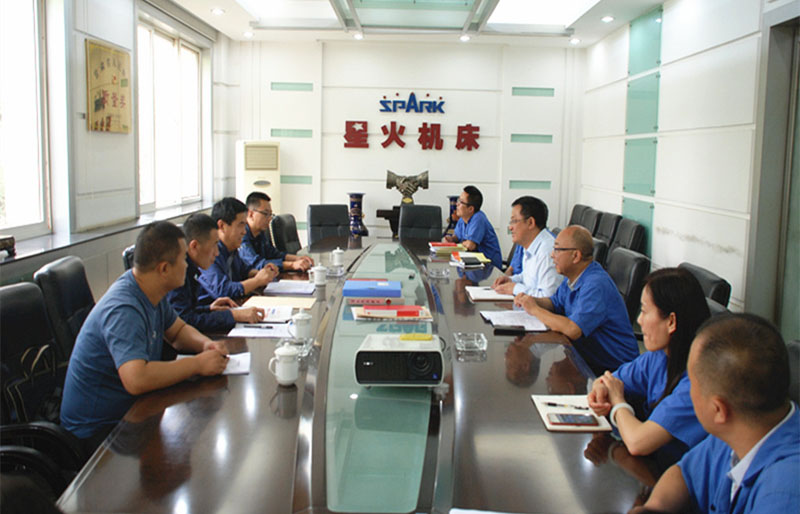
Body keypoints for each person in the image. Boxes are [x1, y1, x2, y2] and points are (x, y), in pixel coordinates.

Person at [60, 221, 229, 447]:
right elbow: (136, 379)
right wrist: (198, 364)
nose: (187, 265)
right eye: (183, 259)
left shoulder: (151, 290)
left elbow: (178, 331)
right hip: (97, 431)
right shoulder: (124, 308)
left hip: (132, 411)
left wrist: (206, 345)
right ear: (164, 269)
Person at [632, 314, 800, 514]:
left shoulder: (784, 492)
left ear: (718, 409)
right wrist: (652, 509)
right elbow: (684, 473)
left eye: (691, 383)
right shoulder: (739, 428)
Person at [588, 268, 711, 462]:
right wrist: (600, 392)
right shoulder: (659, 356)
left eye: (645, 311)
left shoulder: (698, 382)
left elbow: (638, 443)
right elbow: (609, 381)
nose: (639, 320)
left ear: (671, 321)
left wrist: (617, 401)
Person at [514, 225, 638, 374]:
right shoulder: (573, 277)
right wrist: (530, 300)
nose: (552, 255)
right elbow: (554, 303)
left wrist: (535, 310)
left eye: (557, 250)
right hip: (586, 357)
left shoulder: (595, 284)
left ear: (576, 256)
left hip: (614, 371)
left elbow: (573, 329)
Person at [166, 213, 265, 333]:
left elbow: (187, 310)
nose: (217, 253)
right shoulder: (177, 272)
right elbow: (183, 322)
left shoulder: (191, 267)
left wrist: (209, 309)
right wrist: (233, 315)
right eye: (214, 245)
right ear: (194, 246)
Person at [198, 197, 279, 302]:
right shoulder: (210, 252)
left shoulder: (232, 248)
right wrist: (257, 280)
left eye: (245, 225)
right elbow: (223, 291)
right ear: (222, 225)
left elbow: (244, 271)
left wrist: (264, 273)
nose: (244, 232)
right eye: (240, 225)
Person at [492, 196, 562, 297]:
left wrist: (515, 288)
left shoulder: (548, 251)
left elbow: (548, 297)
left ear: (530, 223)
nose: (510, 227)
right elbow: (528, 277)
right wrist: (511, 280)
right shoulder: (530, 245)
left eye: (514, 221)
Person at [239, 191, 313, 272]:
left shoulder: (260, 233)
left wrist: (297, 258)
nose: (270, 218)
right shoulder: (241, 235)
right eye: (266, 214)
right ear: (250, 214)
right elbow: (257, 264)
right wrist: (292, 265)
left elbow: (273, 254)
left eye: (270, 214)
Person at [443, 185, 503, 269]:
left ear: (470, 209)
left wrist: (456, 245)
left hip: (488, 267)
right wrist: (451, 239)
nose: (457, 204)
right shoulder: (463, 219)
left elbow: (470, 245)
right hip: (472, 263)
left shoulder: (478, 218)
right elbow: (457, 237)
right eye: (458, 200)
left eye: (461, 202)